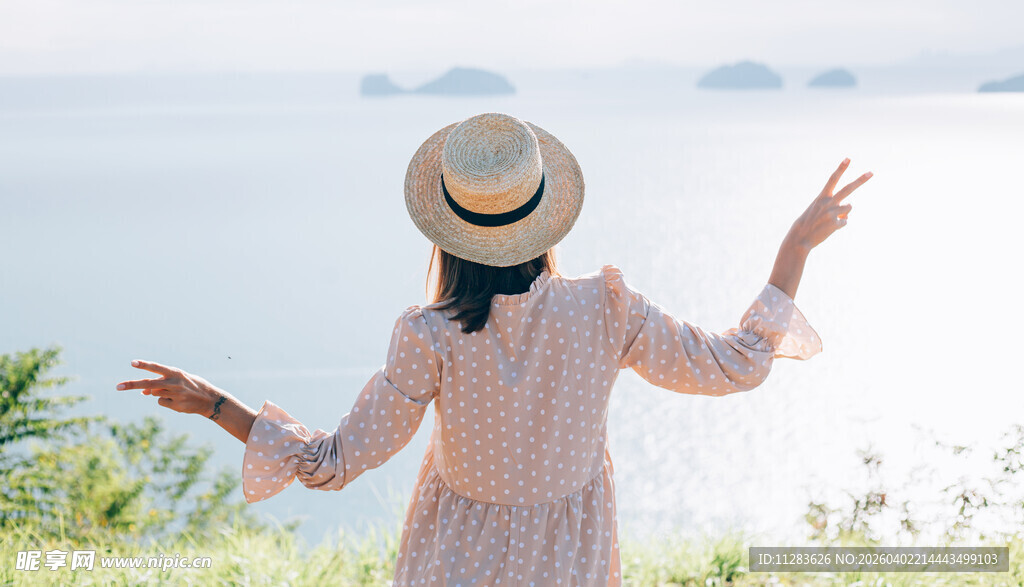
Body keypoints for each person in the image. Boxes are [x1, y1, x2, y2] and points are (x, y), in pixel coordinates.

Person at [116, 112, 872, 586]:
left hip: (451, 561)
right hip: (570, 565)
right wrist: (795, 247)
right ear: (546, 218)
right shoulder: (605, 310)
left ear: (447, 230)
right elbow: (737, 362)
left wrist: (216, 403)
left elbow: (332, 462)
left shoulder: (431, 335)